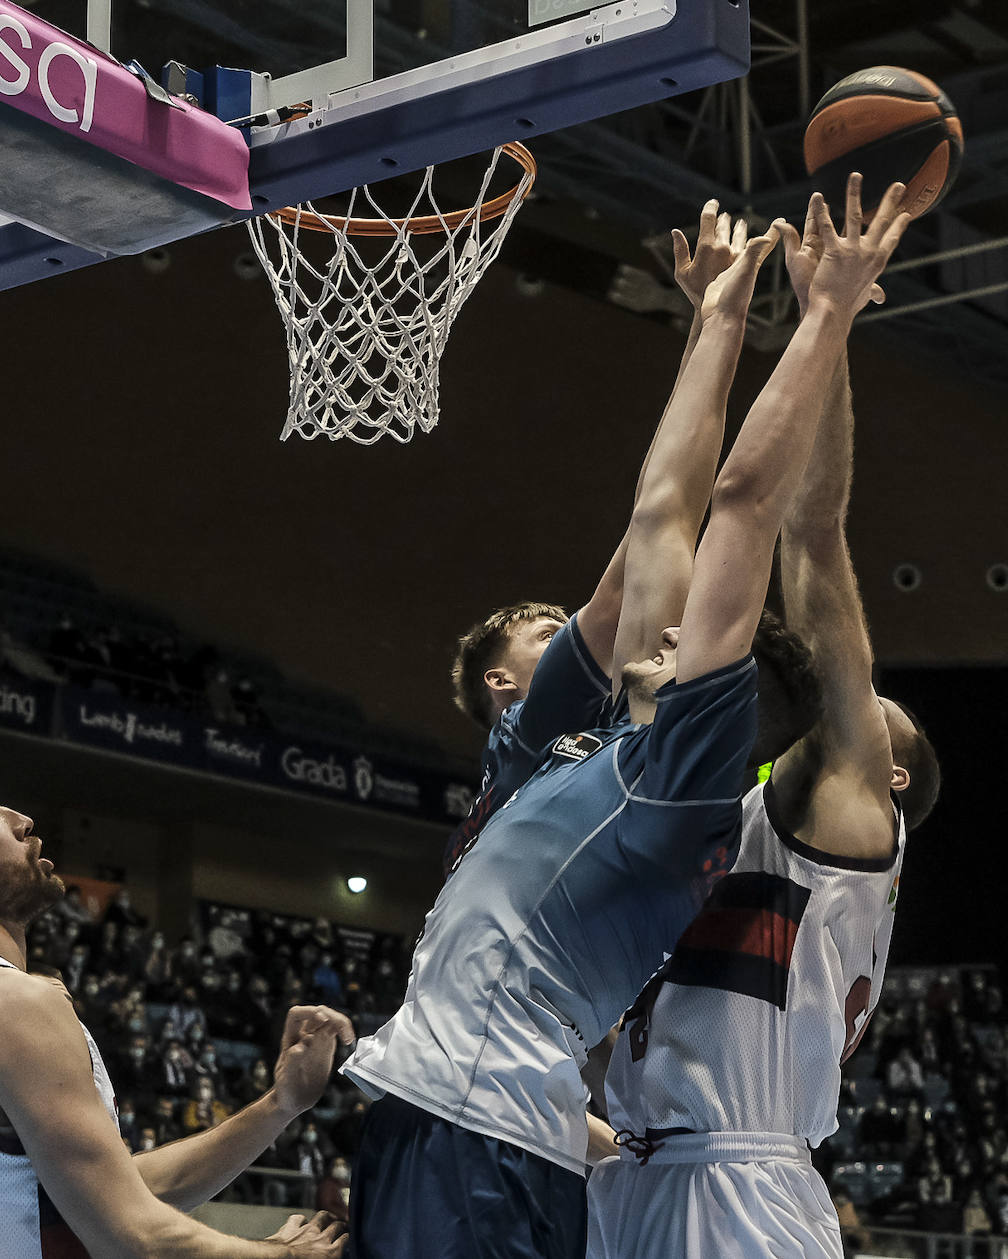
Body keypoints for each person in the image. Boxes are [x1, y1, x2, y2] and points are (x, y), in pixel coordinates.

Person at [343, 207, 827, 1259]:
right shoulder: (572, 748)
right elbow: (661, 512)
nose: (662, 631)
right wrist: (716, 317)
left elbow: (741, 505)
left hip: (484, 1122)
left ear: (725, 706)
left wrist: (823, 314)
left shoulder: (679, 791)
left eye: (694, 640)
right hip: (445, 1109)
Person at [589, 178, 939, 1259]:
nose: (862, 704)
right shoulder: (712, 802)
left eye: (880, 720)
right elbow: (671, 529)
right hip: (635, 1167)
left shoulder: (846, 826)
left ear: (888, 785)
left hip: (740, 1184)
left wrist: (828, 324)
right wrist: (750, 325)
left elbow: (811, 533)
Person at [0, 750, 348, 1258]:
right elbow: (130, 1236)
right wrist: (286, 1255)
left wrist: (280, 1105)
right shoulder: (4, 1000)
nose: (22, 821)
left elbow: (100, 1192)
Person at [444, 202, 758, 876]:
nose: (572, 634)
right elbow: (659, 517)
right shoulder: (528, 733)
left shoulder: (543, 761)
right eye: (547, 635)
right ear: (502, 682)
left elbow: (657, 514)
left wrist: (709, 321)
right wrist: (713, 319)